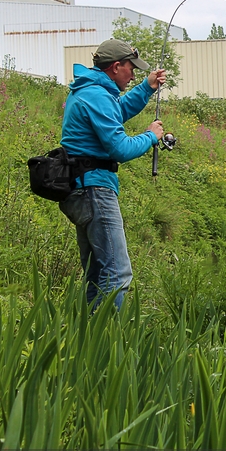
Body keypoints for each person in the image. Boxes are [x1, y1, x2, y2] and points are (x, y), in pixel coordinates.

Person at [59, 39, 166, 310]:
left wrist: (147, 87)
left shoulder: (92, 90)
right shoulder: (96, 95)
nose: (133, 74)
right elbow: (119, 148)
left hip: (82, 188)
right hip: (94, 191)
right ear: (116, 67)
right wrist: (151, 136)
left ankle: (89, 339)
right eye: (131, 69)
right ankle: (106, 341)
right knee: (117, 274)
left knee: (97, 273)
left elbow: (116, 113)